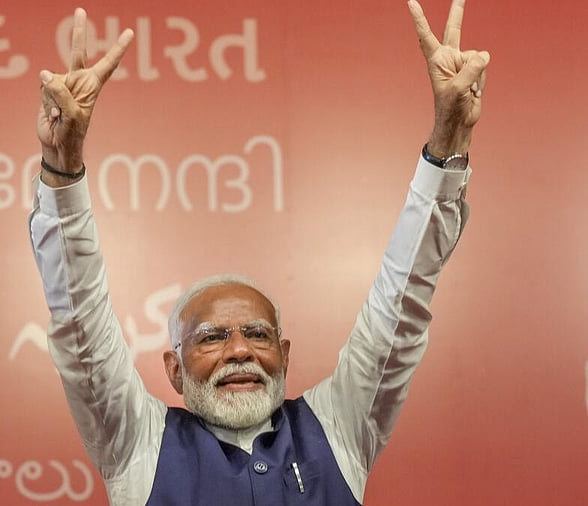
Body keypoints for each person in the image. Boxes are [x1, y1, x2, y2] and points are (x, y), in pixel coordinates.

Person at [28, 0, 489, 504]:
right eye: (211, 338)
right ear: (175, 370)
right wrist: (63, 165)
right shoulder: (138, 443)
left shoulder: (339, 426)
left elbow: (401, 304)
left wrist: (448, 140)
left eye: (256, 333)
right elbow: (82, 331)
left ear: (284, 355)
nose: (240, 350)